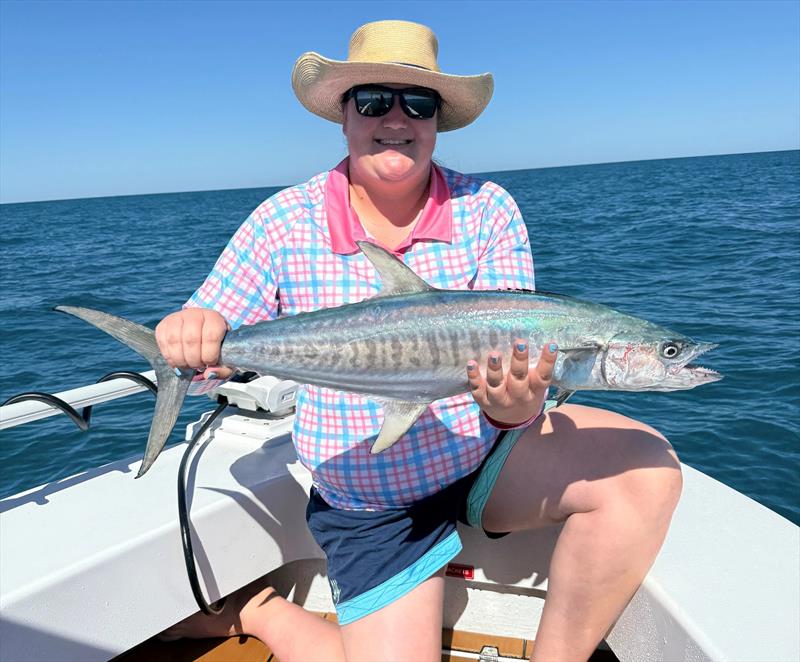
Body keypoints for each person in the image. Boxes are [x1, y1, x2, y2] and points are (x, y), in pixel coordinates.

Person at [156, 20, 682, 662]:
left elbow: (516, 391)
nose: (396, 118)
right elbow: (211, 340)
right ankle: (265, 612)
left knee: (646, 471)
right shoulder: (281, 221)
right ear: (344, 116)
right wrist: (191, 338)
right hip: (367, 493)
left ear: (438, 120)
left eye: (419, 103)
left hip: (480, 457)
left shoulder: (487, 207)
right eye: (373, 101)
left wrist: (515, 407)